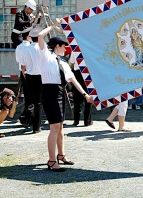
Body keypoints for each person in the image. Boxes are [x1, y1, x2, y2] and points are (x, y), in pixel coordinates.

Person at [37, 20, 93, 172]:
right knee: (54, 127)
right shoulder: (46, 55)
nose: (65, 49)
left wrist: (85, 94)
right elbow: (40, 37)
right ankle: (51, 160)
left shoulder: (63, 63)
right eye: (63, 46)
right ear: (56, 46)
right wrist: (53, 27)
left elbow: (73, 80)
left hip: (60, 92)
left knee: (60, 126)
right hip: (49, 91)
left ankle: (61, 155)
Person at [22, 27, 43, 133]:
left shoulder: (26, 49)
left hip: (29, 76)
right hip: (40, 76)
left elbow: (24, 65)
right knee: (38, 102)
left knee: (31, 101)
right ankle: (37, 126)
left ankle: (29, 121)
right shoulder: (42, 48)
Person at [69, 52, 92, 126]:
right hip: (88, 72)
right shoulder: (89, 46)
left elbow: (71, 63)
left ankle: (76, 120)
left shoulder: (75, 48)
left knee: (77, 97)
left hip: (78, 72)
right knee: (88, 97)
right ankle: (87, 121)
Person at [15, 30, 31, 115]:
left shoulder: (19, 47)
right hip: (31, 72)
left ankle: (26, 114)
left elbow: (18, 60)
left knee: (26, 94)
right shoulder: (31, 47)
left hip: (22, 71)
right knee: (33, 95)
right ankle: (29, 115)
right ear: (28, 36)